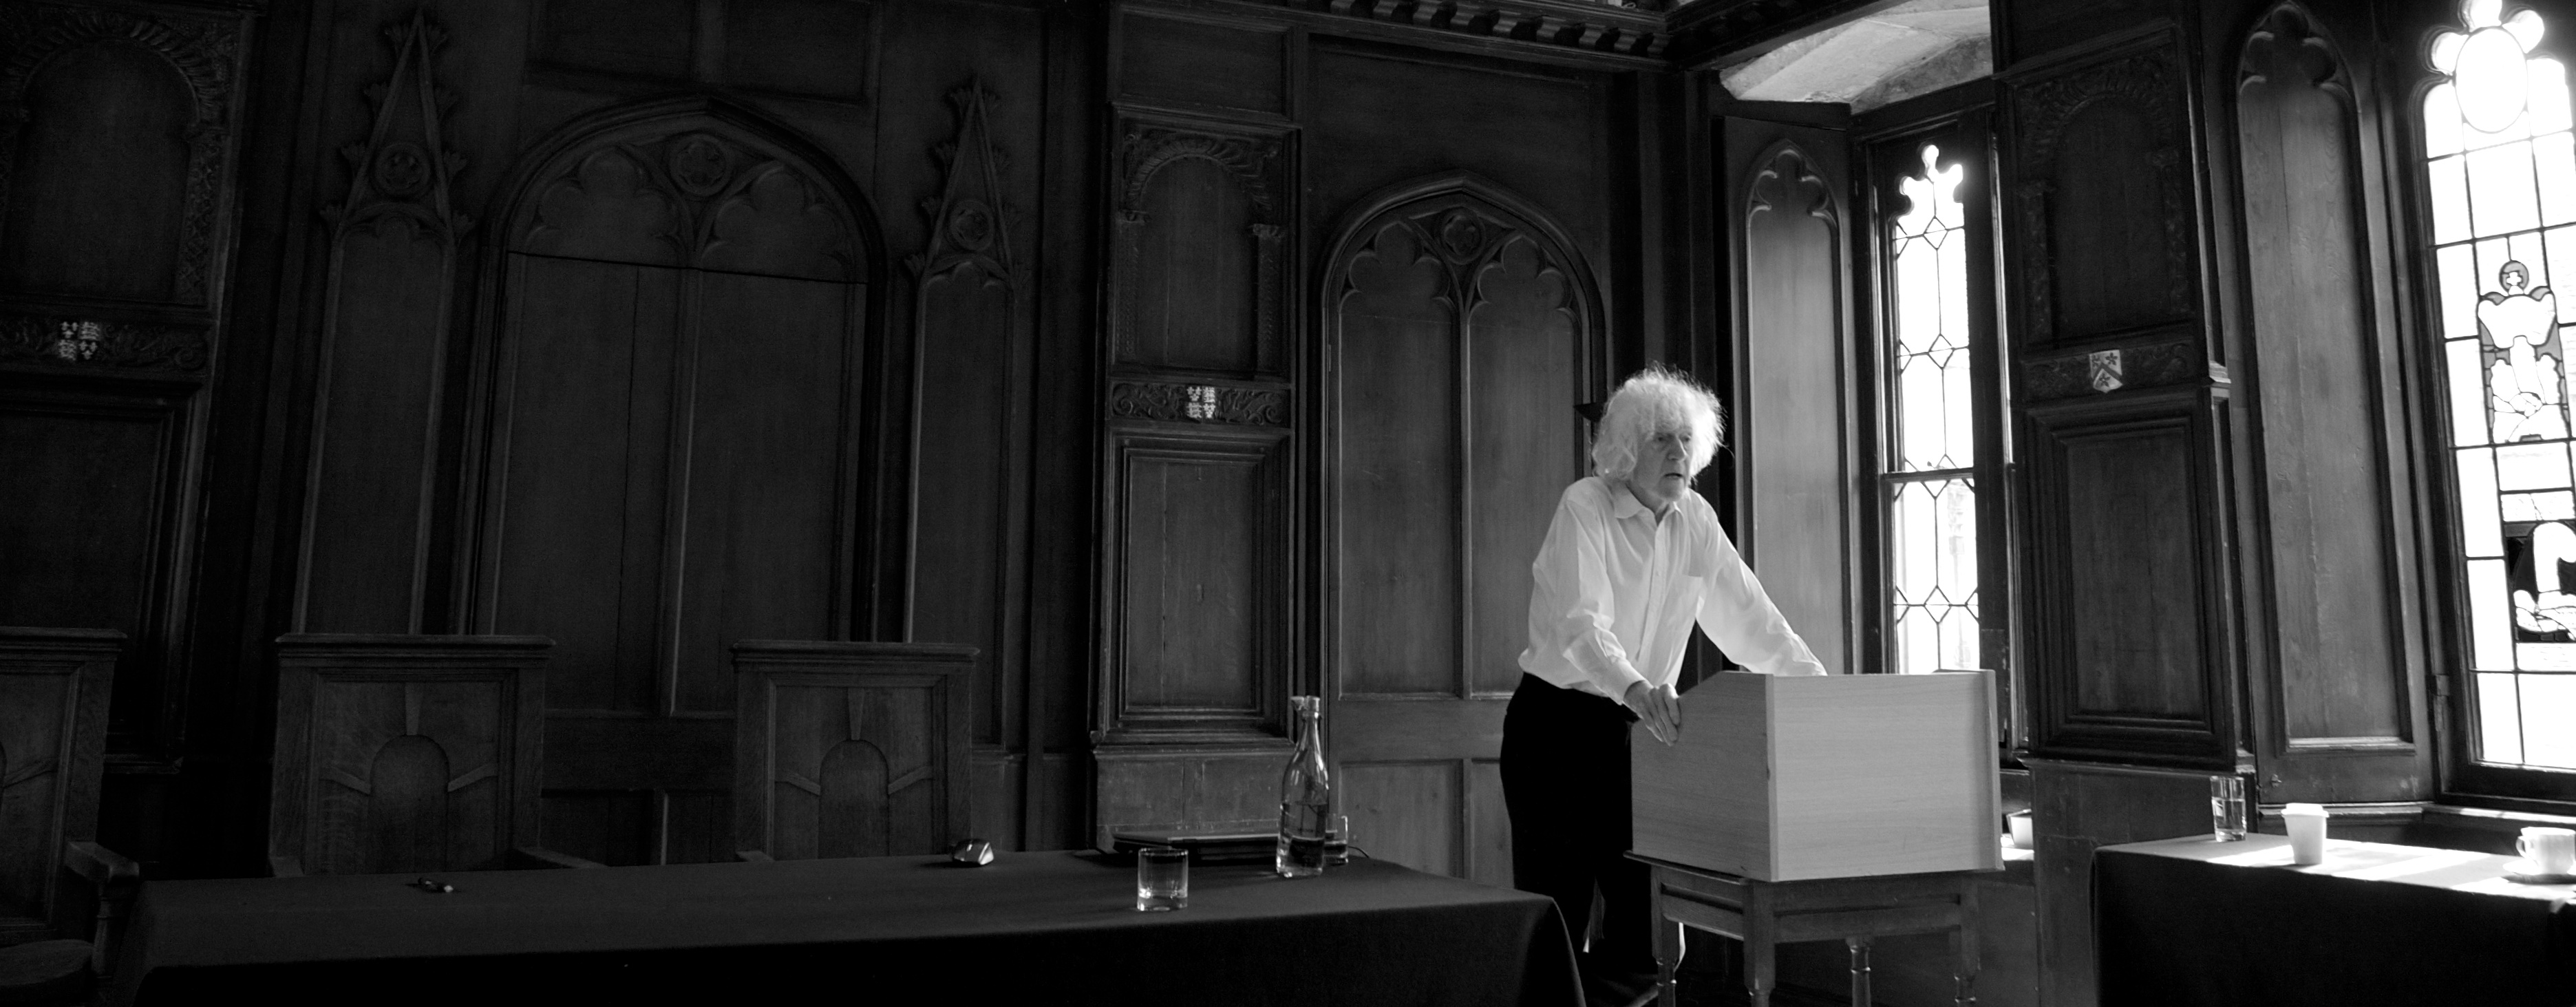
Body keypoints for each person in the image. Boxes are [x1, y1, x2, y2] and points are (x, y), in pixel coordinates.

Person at [1504, 365, 1828, 1007]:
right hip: (1557, 728)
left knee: (1650, 935)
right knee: (1556, 920)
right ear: (1625, 448)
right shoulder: (1584, 505)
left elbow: (1752, 620)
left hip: (1641, 736)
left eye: (1686, 440)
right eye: (1661, 440)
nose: (1679, 453)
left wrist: (1817, 693)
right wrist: (1633, 686)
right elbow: (1578, 625)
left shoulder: (1696, 519)